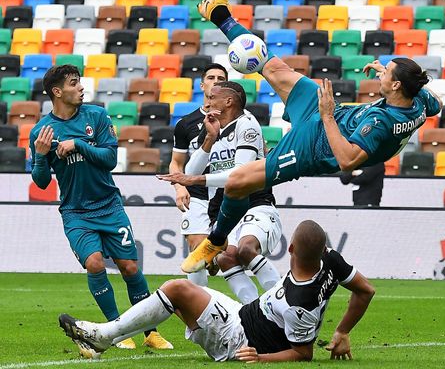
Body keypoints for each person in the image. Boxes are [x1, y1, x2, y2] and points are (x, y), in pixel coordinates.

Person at [157, 0, 443, 275]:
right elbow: (436, 103)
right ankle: (219, 12)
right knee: (272, 65)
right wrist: (394, 74)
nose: (379, 70)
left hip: (313, 146)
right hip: (328, 112)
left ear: (397, 85)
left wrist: (327, 115)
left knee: (238, 182)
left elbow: (347, 160)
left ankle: (214, 240)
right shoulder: (417, 101)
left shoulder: (381, 122)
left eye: (386, 72)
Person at [59, 220, 376, 363]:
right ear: (324, 250)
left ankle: (104, 335)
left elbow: (303, 353)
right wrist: (343, 331)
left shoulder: (299, 304)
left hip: (240, 339)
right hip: (244, 315)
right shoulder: (332, 261)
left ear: (290, 246)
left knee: (177, 290)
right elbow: (365, 290)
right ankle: (106, 341)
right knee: (184, 295)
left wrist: (261, 358)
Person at [29, 65, 173, 351]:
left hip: (109, 206)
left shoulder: (96, 115)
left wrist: (78, 144)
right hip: (76, 212)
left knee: (130, 267)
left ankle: (150, 332)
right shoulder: (41, 131)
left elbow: (109, 159)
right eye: (73, 83)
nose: (81, 87)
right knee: (94, 263)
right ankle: (116, 330)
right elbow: (42, 182)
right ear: (57, 92)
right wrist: (42, 157)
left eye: (79, 81)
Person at [169, 80, 283, 304]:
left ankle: (282, 303)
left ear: (228, 101)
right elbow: (191, 171)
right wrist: (210, 138)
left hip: (255, 201)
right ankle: (254, 314)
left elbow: (239, 175)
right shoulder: (210, 126)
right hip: (222, 207)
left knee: (245, 249)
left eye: (212, 98)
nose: (208, 101)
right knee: (225, 258)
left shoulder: (247, 124)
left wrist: (196, 179)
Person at [170, 63, 228, 287]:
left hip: (226, 194)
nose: (216, 81)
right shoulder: (185, 124)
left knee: (230, 254)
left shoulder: (239, 120)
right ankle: (200, 313)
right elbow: (176, 163)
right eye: (211, 77)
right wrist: (179, 187)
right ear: (202, 85)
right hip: (196, 195)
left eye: (221, 78)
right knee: (196, 248)